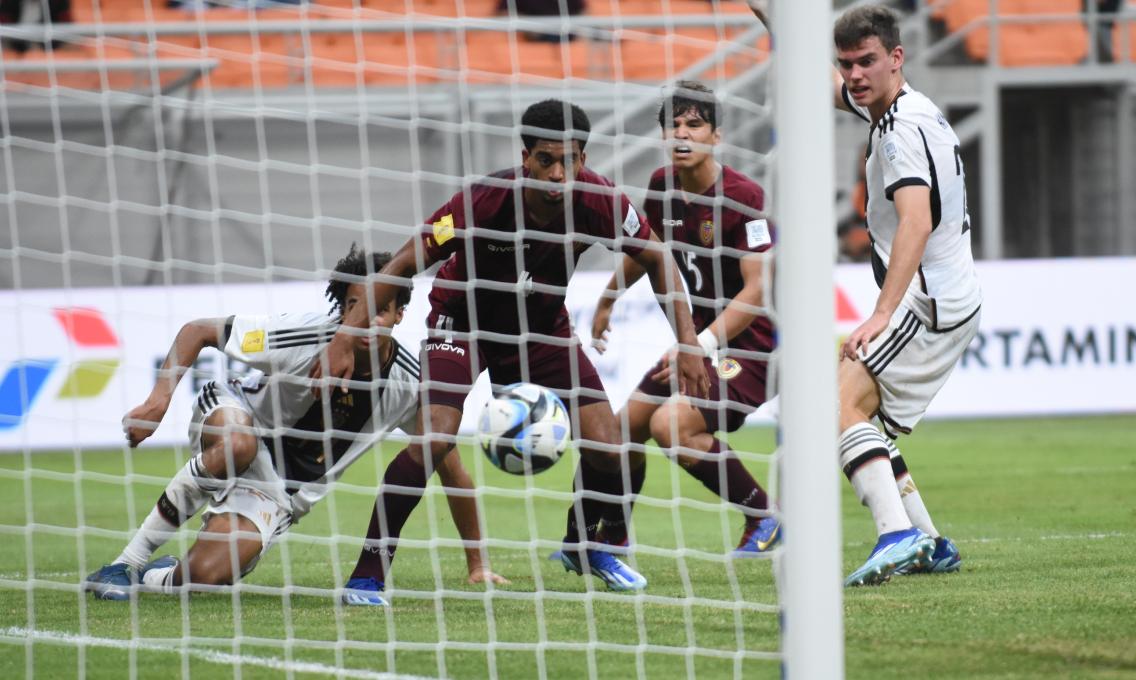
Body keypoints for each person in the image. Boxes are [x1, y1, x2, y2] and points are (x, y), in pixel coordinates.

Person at [318, 99, 708, 601]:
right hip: (463, 323)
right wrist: (344, 337)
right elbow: (400, 264)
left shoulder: (600, 201)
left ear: (583, 159)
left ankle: (584, 544)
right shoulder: (484, 200)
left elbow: (656, 255)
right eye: (546, 160)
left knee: (608, 445)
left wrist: (690, 341)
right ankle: (368, 573)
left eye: (570, 160)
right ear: (526, 157)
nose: (558, 172)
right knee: (435, 435)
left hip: (542, 330)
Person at [85, 246, 506, 601]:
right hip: (237, 415)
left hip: (277, 490)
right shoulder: (303, 336)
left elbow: (453, 471)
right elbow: (198, 332)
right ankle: (123, 565)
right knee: (238, 446)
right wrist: (158, 402)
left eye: (379, 310)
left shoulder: (409, 384)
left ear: (399, 314)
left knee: (206, 577)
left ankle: (155, 576)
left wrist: (477, 564)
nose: (366, 321)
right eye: (354, 308)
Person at [583, 81, 780, 557]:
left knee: (672, 427)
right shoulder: (661, 187)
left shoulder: (743, 195)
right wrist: (607, 297)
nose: (682, 135)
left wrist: (700, 344)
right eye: (672, 126)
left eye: (694, 124)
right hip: (700, 343)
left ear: (716, 136)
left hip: (755, 347)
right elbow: (649, 254)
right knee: (622, 425)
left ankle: (765, 517)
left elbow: (757, 289)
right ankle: (614, 536)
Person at [830, 5, 981, 586]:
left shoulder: (898, 133)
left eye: (867, 61)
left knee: (836, 408)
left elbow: (915, 221)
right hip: (947, 295)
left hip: (924, 304)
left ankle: (898, 535)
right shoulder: (907, 108)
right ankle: (931, 542)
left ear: (897, 58)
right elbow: (830, 91)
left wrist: (882, 313)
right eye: (846, 64)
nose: (855, 75)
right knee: (863, 418)